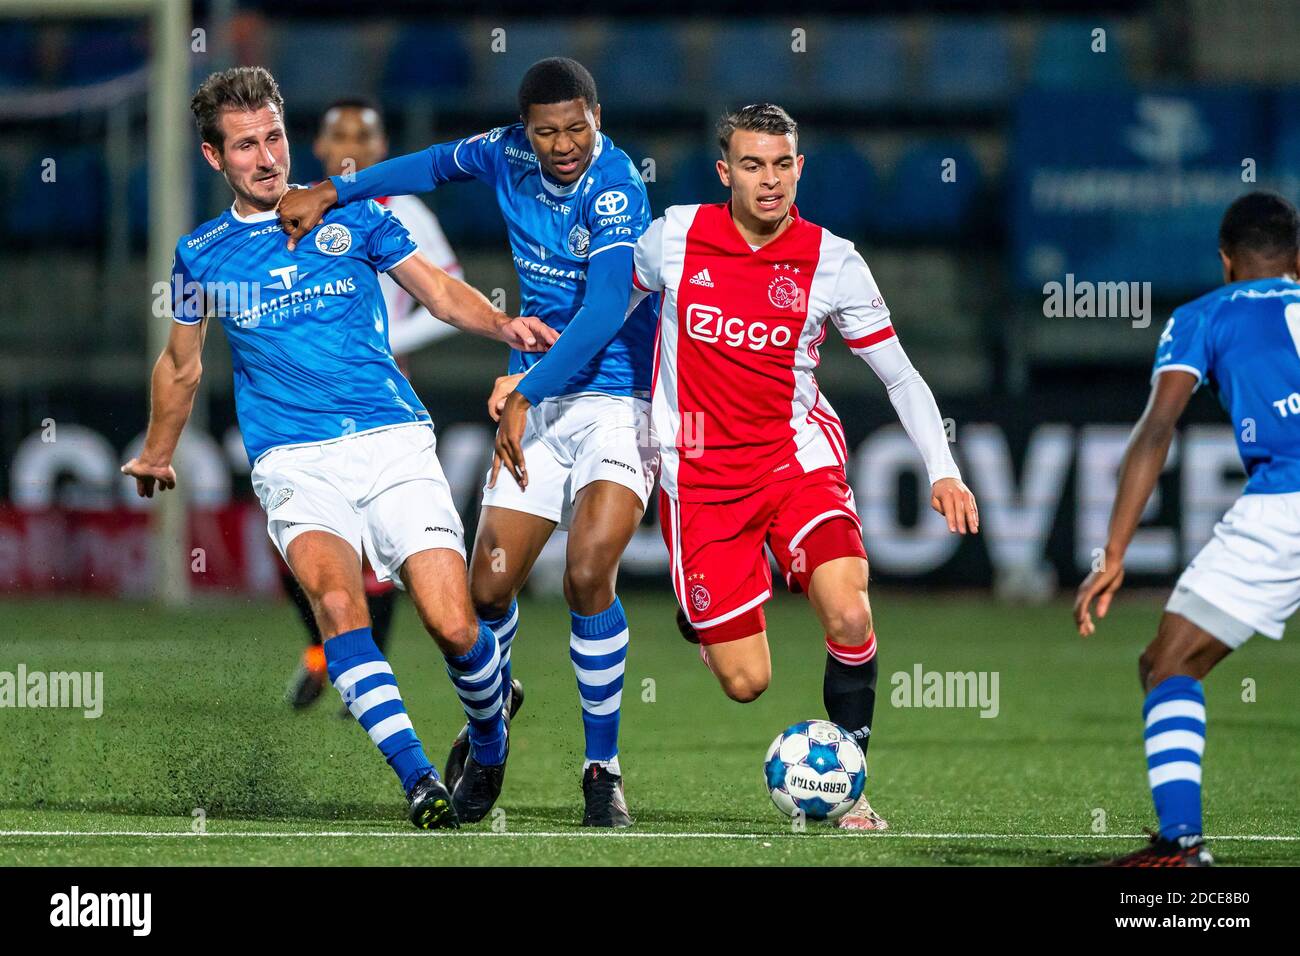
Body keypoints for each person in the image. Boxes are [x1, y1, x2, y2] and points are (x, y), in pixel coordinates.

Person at [494, 103, 979, 830]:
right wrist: (530, 382)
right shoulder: (675, 239)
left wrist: (943, 468)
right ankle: (706, 618)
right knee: (747, 683)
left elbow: (901, 377)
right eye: (752, 164)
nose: (770, 180)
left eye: (783, 164)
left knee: (848, 609)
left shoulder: (833, 260)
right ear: (726, 172)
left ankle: (849, 783)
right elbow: (600, 317)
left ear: (800, 168)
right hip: (702, 481)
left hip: (795, 459)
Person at [121, 66, 556, 828]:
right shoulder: (201, 255)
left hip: (391, 441)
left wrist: (502, 326)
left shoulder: (351, 212)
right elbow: (181, 364)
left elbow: (435, 289)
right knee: (334, 602)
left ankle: (487, 741)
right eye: (247, 145)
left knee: (454, 625)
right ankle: (421, 782)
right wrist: (159, 452)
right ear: (214, 157)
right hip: (294, 462)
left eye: (275, 138)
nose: (267, 158)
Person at [278, 58, 657, 827]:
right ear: (526, 130)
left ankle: (601, 770)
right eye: (547, 132)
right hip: (537, 400)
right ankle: (493, 729)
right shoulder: (505, 152)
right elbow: (428, 165)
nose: (562, 146)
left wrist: (524, 388)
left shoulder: (616, 186)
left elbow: (608, 305)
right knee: (484, 595)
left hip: (615, 397)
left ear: (597, 114)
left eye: (576, 128)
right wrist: (334, 189)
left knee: (588, 572)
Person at [1075, 190, 1300, 866]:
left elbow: (1156, 432)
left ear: (1227, 261)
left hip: (1284, 504)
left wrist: (1112, 551)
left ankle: (1182, 846)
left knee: (1168, 663)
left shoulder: (1205, 314)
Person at [284, 96, 464, 712]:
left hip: (379, 400)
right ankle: (327, 651)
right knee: (297, 541)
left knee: (377, 546)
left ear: (384, 149)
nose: (353, 144)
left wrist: (384, 343)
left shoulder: (403, 208)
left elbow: (450, 293)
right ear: (319, 147)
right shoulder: (296, 208)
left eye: (366, 133)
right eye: (340, 133)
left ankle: (365, 669)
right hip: (302, 400)